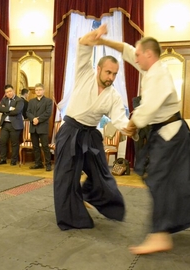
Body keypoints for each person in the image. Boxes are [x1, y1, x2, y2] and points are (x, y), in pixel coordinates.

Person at [96, 33, 190, 254]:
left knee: (157, 178)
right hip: (169, 134)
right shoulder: (149, 69)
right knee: (182, 181)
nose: (135, 59)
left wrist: (131, 125)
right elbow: (129, 50)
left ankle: (159, 235)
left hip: (172, 135)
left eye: (139, 55)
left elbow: (149, 108)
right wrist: (105, 41)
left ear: (149, 54)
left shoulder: (159, 75)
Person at [53, 24, 136, 230]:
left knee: (103, 177)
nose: (111, 77)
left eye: (115, 74)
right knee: (65, 177)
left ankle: (90, 195)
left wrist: (132, 126)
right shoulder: (84, 74)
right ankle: (72, 218)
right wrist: (94, 35)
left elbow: (120, 120)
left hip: (91, 135)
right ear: (98, 69)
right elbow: (83, 46)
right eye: (108, 72)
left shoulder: (113, 95)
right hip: (70, 131)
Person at [27, 83, 53, 171]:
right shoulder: (31, 101)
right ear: (35, 91)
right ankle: (38, 163)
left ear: (43, 90)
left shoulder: (48, 101)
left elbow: (48, 113)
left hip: (42, 126)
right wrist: (33, 118)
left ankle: (48, 164)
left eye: (40, 90)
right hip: (33, 127)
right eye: (36, 90)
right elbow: (28, 112)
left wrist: (38, 119)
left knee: (45, 146)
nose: (38, 91)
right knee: (35, 146)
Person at [0, 84, 24, 166]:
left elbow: (17, 111)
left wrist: (6, 109)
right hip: (5, 124)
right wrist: (10, 108)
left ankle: (14, 160)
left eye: (10, 91)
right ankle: (3, 159)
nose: (9, 93)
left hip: (15, 125)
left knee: (14, 143)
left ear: (13, 90)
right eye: (7, 92)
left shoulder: (19, 100)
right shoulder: (4, 99)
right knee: (3, 142)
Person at [132, 95, 150, 165]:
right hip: (139, 128)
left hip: (150, 127)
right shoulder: (136, 99)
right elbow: (137, 108)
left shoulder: (152, 99)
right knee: (138, 149)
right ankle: (139, 167)